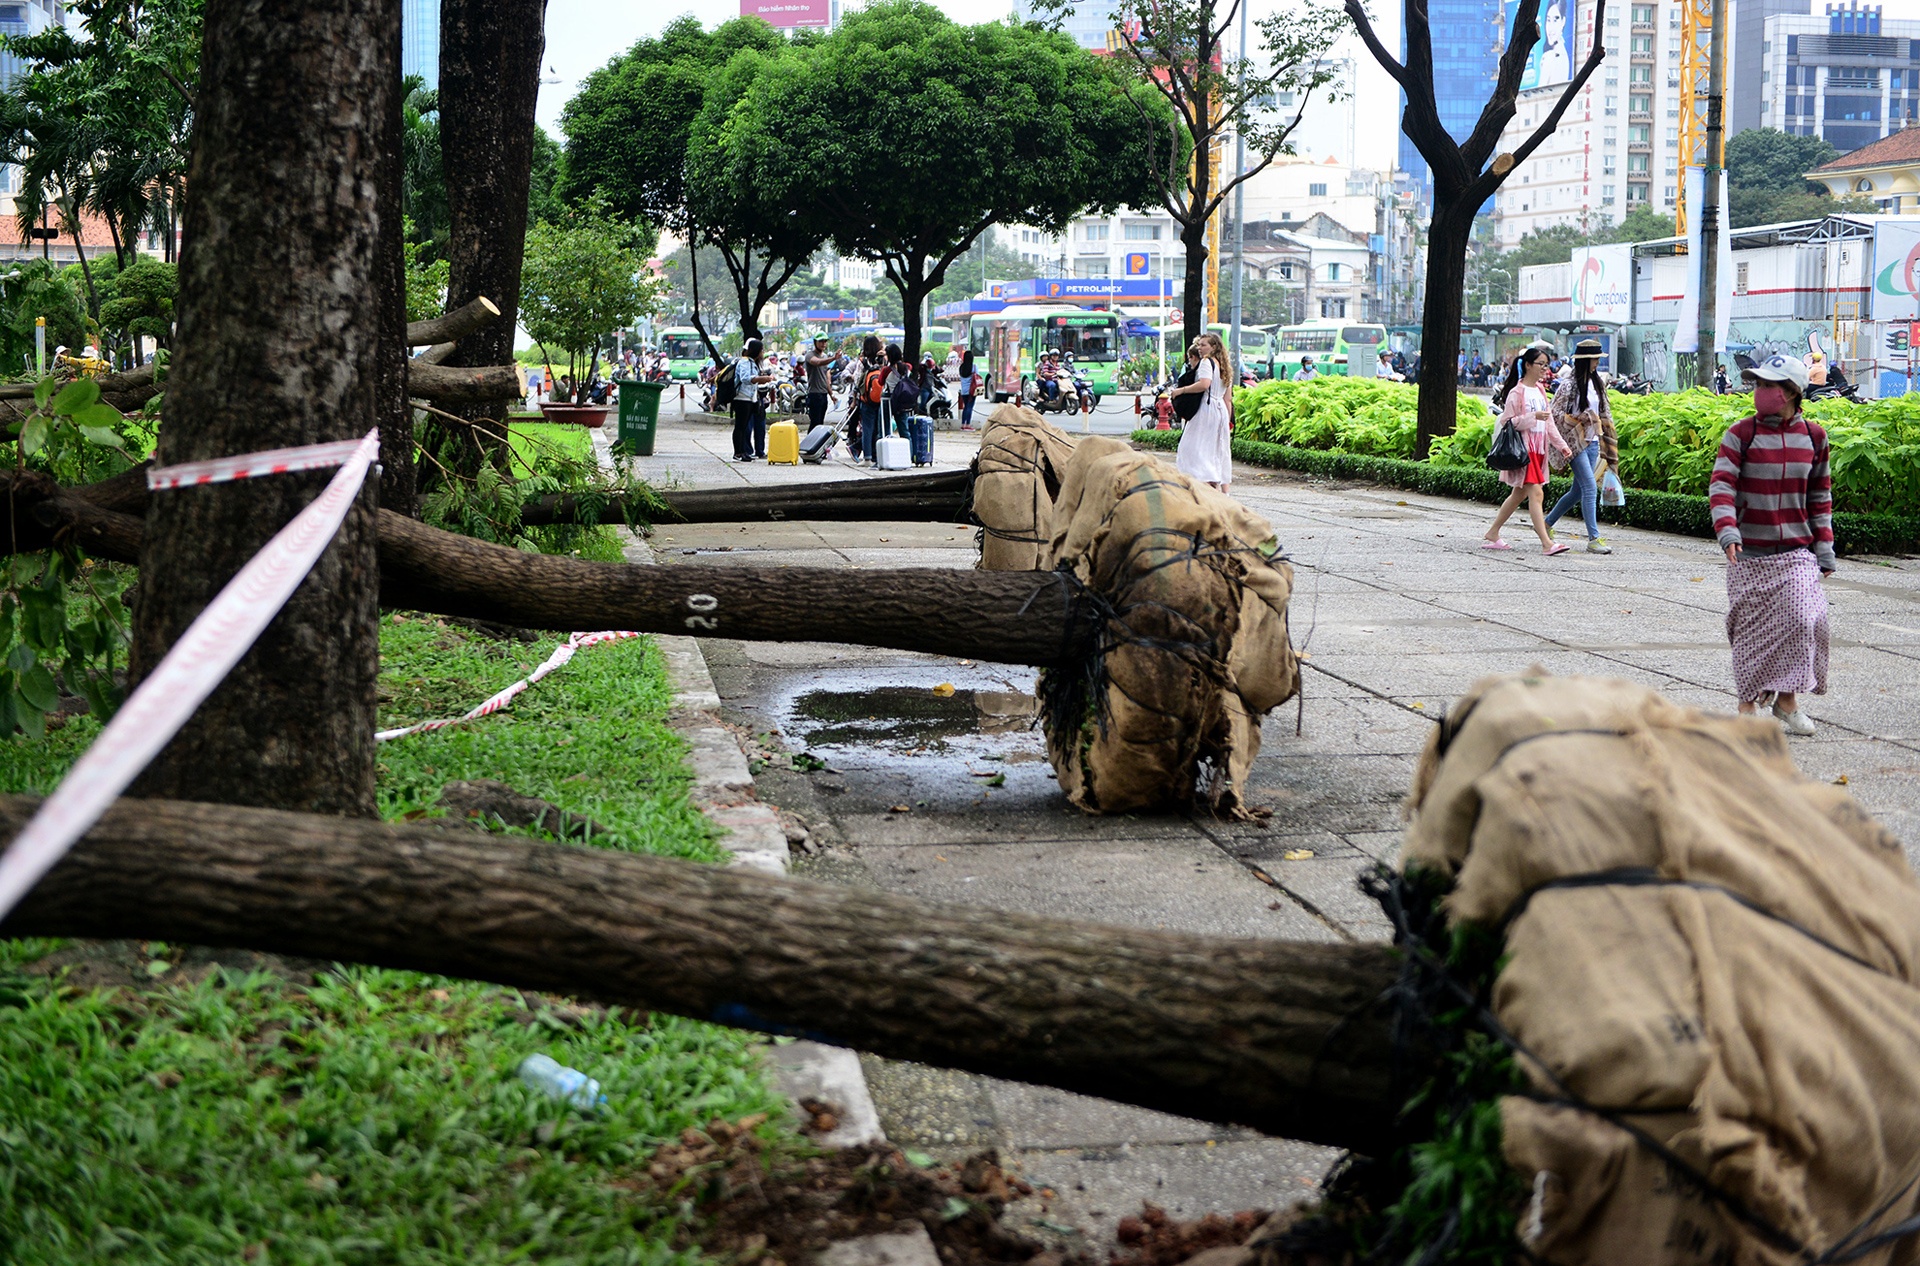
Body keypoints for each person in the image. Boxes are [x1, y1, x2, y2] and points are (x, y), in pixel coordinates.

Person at [1710, 353, 1834, 737]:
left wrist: (1824, 546)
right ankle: (1746, 709)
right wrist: (1727, 530)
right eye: (1758, 384)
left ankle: (1786, 701)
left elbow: (1820, 496)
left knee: (1804, 621)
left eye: (1769, 386)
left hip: (1796, 552)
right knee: (1749, 632)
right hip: (1748, 552)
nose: (1760, 392)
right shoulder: (1741, 433)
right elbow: (1722, 485)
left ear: (1792, 392)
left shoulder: (1814, 437)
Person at [1482, 346, 1574, 555]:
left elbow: (1549, 422)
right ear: (1529, 365)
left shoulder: (1541, 390)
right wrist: (1532, 418)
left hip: (1539, 450)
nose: (1545, 368)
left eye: (1546, 364)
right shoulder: (1517, 392)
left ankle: (1493, 533)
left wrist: (1562, 445)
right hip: (1525, 451)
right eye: (1541, 364)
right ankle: (1546, 543)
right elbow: (1508, 422)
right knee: (1536, 493)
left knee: (1518, 495)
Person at [1545, 338, 1617, 555]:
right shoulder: (1568, 385)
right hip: (1574, 443)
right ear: (1587, 360)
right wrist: (1580, 418)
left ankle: (1547, 523)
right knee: (1589, 487)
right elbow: (1555, 413)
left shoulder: (1598, 383)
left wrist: (1609, 437)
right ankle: (1593, 538)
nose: (1597, 362)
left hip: (1594, 442)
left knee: (1577, 492)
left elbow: (1605, 412)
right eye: (1595, 359)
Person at [1168, 332, 1234, 494]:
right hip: (1220, 411)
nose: (1200, 347)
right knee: (1215, 449)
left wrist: (1180, 391)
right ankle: (1218, 486)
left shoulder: (1207, 362)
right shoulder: (1225, 366)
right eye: (1199, 344)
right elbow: (1228, 399)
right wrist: (1227, 419)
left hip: (1206, 408)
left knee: (1193, 446)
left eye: (1203, 345)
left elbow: (1204, 384)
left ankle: (1202, 483)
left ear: (1213, 347)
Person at [730, 338, 773, 462]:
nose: (763, 352)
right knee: (740, 426)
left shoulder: (752, 363)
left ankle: (743, 452)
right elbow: (745, 378)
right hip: (742, 397)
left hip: (750, 398)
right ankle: (738, 453)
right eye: (761, 350)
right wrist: (760, 379)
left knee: (744, 426)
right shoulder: (744, 362)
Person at [804, 330, 835, 436]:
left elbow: (827, 378)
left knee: (820, 423)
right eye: (821, 341)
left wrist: (831, 394)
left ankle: (817, 447)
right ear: (815, 342)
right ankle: (809, 445)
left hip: (823, 394)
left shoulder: (825, 356)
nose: (823, 344)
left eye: (825, 341)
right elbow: (816, 362)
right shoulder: (810, 355)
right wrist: (834, 358)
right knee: (815, 423)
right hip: (814, 394)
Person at [956, 348, 980, 429]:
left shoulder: (961, 367)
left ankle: (963, 424)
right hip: (971, 390)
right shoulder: (974, 367)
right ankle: (968, 424)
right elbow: (977, 376)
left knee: (965, 407)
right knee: (969, 407)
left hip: (964, 391)